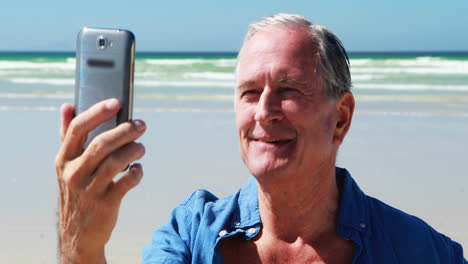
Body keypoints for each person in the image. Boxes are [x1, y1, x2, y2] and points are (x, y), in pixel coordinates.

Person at [56, 13, 467, 263]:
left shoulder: (417, 250)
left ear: (340, 118)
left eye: (289, 90)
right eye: (250, 92)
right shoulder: (191, 236)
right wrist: (81, 249)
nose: (264, 111)